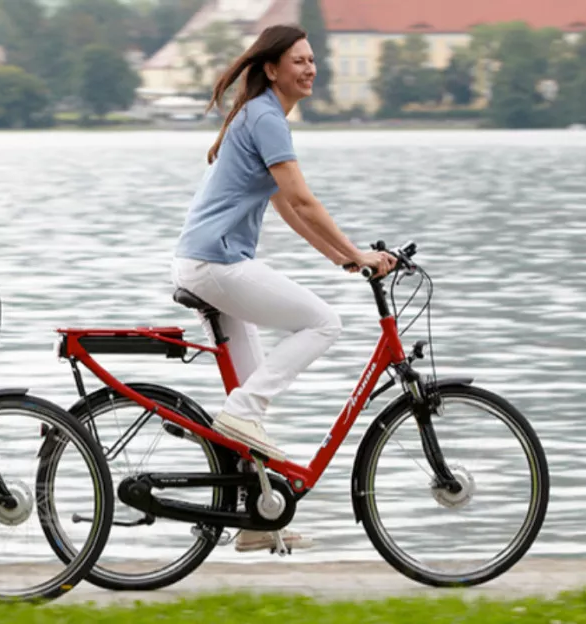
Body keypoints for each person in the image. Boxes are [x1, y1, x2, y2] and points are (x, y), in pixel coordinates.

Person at [170, 24, 396, 554]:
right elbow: (303, 198)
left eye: (313, 59)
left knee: (251, 403)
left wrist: (343, 259)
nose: (310, 68)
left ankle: (256, 520)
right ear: (271, 68)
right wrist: (360, 253)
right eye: (298, 60)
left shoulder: (259, 116)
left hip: (205, 263)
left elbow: (288, 209)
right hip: (215, 263)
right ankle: (241, 414)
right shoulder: (267, 117)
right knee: (323, 324)